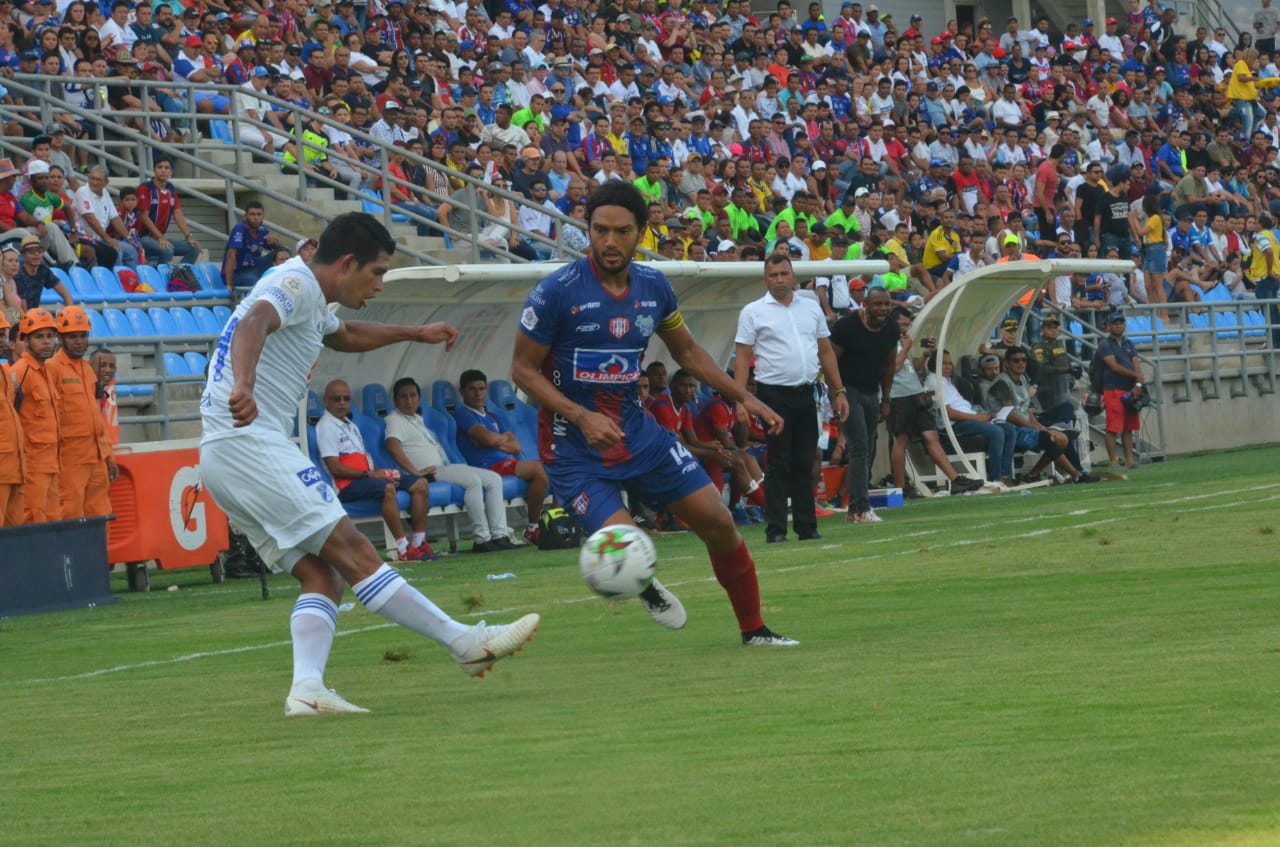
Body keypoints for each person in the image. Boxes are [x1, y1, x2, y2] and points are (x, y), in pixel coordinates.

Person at [199, 213, 539, 717]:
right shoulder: (292, 282)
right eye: (377, 273)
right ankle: (463, 641)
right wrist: (244, 384)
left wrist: (414, 333)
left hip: (224, 455)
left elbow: (345, 335)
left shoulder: (312, 297)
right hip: (249, 442)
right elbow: (254, 322)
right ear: (347, 263)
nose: (379, 284)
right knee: (354, 549)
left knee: (323, 575)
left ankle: (307, 691)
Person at [511, 181, 797, 647]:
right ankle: (640, 581)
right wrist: (581, 417)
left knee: (720, 523)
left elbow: (686, 351)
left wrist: (741, 396)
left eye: (621, 231)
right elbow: (522, 370)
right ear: (587, 230)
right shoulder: (555, 293)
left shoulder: (654, 287)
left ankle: (755, 631)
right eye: (599, 230)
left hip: (639, 434)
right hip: (574, 449)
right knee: (628, 547)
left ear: (640, 233)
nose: (608, 241)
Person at [734, 253, 849, 543]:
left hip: (806, 391)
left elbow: (825, 351)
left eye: (784, 274)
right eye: (773, 275)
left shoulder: (810, 307)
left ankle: (807, 527)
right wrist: (739, 399)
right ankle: (775, 529)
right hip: (773, 395)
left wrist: (839, 390)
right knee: (779, 462)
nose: (780, 280)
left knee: (806, 461)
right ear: (765, 279)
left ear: (793, 275)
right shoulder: (753, 311)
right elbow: (742, 357)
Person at [383, 376, 518, 554]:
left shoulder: (417, 418)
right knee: (473, 481)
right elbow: (392, 447)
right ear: (395, 400)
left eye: (413, 395)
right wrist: (416, 472)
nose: (409, 401)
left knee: (494, 479)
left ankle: (499, 535)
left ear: (419, 398)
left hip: (444, 466)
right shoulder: (394, 419)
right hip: (431, 472)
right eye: (403, 396)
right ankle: (482, 538)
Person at [315, 378, 437, 563]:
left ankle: (419, 542)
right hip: (348, 484)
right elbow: (335, 467)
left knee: (420, 483)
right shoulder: (326, 427)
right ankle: (402, 548)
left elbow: (365, 460)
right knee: (388, 488)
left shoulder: (350, 424)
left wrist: (383, 471)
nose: (342, 403)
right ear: (326, 401)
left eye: (346, 399)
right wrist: (370, 475)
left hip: (367, 478)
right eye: (336, 399)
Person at [884, 307, 985, 496]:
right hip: (898, 395)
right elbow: (893, 368)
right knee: (901, 440)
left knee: (932, 436)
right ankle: (900, 487)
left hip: (916, 393)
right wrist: (906, 347)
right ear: (892, 322)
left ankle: (955, 480)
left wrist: (925, 354)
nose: (905, 328)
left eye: (908, 324)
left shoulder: (901, 341)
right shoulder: (885, 341)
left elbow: (911, 367)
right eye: (902, 324)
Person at [452, 368, 549, 545]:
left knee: (556, 467)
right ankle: (533, 528)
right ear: (462, 392)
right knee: (539, 469)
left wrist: (495, 441)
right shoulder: (462, 414)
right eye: (472, 389)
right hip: (486, 467)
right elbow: (488, 438)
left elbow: (515, 446)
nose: (477, 393)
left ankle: (556, 522)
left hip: (507, 463)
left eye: (481, 388)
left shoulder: (492, 415)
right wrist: (495, 440)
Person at [828, 285, 898, 523]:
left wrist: (885, 398)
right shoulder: (847, 326)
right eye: (878, 304)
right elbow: (830, 361)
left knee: (869, 447)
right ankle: (861, 507)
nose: (883, 309)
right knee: (860, 446)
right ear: (866, 304)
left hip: (871, 391)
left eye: (887, 304)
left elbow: (890, 366)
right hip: (847, 390)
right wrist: (835, 393)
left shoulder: (891, 328)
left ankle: (853, 509)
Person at [47, 306, 115, 519]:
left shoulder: (87, 369)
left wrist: (108, 455)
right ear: (60, 337)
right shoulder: (52, 368)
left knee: (101, 514)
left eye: (83, 335)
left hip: (95, 457)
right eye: (72, 336)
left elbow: (96, 416)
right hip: (69, 459)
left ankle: (97, 554)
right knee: (70, 512)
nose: (79, 341)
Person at [926, 349, 1016, 484]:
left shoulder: (947, 381)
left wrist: (981, 416)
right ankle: (996, 479)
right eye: (944, 364)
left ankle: (1005, 475)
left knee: (1009, 430)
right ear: (934, 365)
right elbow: (949, 414)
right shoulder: (934, 381)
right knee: (996, 432)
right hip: (953, 427)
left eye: (950, 364)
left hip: (969, 420)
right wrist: (977, 418)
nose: (949, 367)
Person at [11, 308, 61, 524]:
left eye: (50, 336)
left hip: (51, 462)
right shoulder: (20, 372)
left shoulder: (45, 371)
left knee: (52, 520)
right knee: (33, 518)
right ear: (26, 340)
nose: (46, 342)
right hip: (31, 464)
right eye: (39, 337)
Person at [1097, 311, 1143, 469]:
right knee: (1113, 427)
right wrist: (1136, 376)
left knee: (1128, 427)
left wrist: (1137, 385)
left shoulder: (1129, 343)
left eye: (1121, 323)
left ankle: (1129, 460)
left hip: (1129, 389)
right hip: (1113, 389)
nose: (1118, 326)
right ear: (1109, 326)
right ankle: (1113, 461)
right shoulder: (1105, 344)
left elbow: (1136, 362)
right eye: (1115, 323)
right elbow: (1114, 367)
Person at [135, 155, 202, 265]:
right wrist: (160, 237)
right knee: (167, 250)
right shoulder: (146, 188)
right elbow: (143, 216)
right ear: (154, 170)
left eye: (167, 168)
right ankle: (158, 276)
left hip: (158, 238)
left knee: (193, 248)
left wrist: (188, 237)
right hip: (142, 237)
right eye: (160, 167)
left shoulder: (170, 188)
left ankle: (179, 277)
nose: (163, 171)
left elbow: (177, 213)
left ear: (171, 171)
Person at [73, 166, 141, 269]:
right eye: (92, 178)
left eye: (98, 180)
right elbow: (91, 219)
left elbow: (115, 218)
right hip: (86, 238)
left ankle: (131, 282)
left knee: (131, 250)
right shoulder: (82, 191)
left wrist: (129, 237)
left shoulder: (105, 193)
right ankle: (117, 281)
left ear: (106, 182)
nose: (94, 182)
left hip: (101, 238)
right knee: (116, 250)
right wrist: (108, 239)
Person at [0, 310, 24, 526]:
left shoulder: (5, 372)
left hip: (14, 468)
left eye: (2, 334)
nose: (1, 340)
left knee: (14, 534)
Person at [222, 202, 281, 291]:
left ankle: (283, 277)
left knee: (285, 250)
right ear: (245, 216)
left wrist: (274, 243)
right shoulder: (240, 228)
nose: (256, 218)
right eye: (252, 214)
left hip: (255, 268)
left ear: (262, 216)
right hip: (239, 273)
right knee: (254, 281)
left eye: (259, 214)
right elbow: (231, 255)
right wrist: (229, 284)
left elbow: (279, 250)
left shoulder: (262, 229)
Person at [13, 234, 72, 310]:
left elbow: (66, 294)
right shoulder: (18, 274)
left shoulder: (43, 269)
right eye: (31, 252)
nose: (36, 254)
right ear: (23, 255)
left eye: (39, 251)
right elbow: (21, 305)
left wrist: (68, 312)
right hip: (18, 315)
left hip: (34, 315)